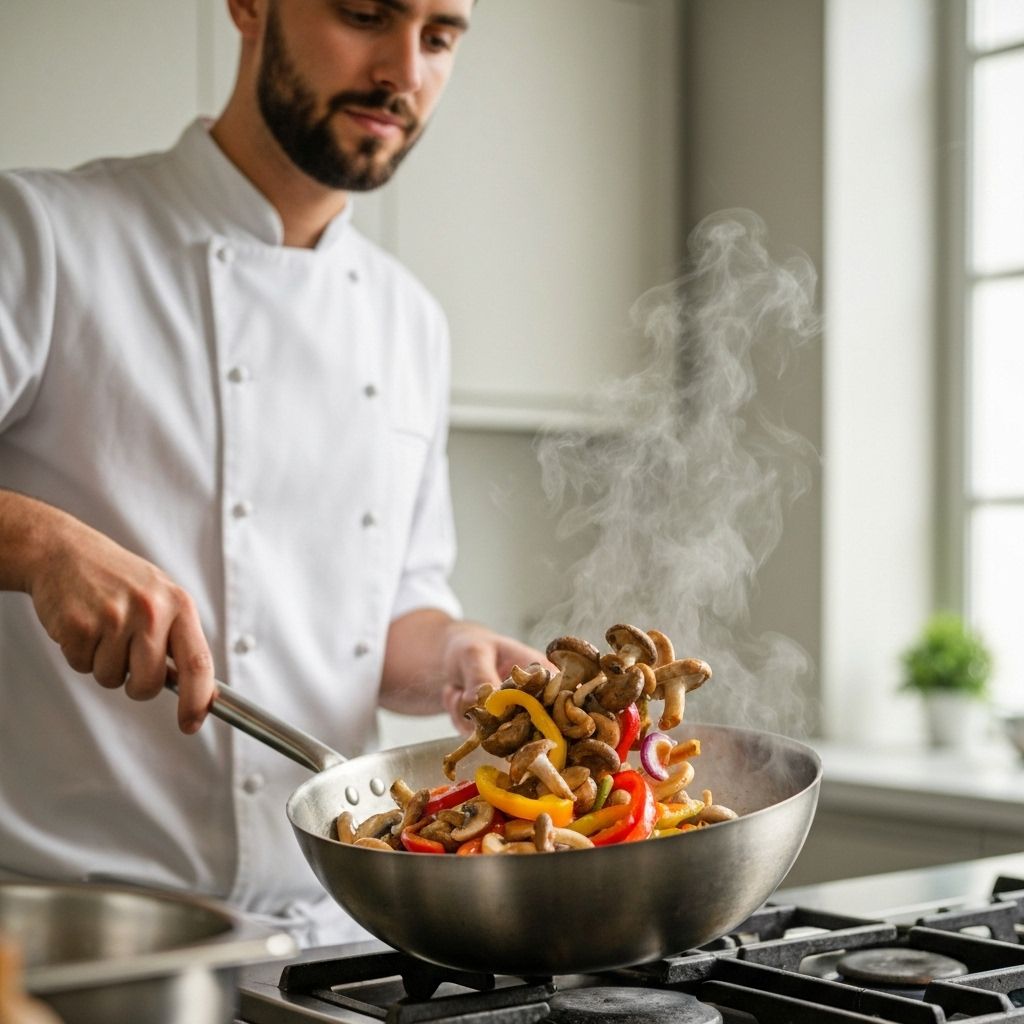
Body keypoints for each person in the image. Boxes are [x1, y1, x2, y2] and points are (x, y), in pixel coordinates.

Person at [0, 0, 547, 945]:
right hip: (78, 937)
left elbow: (385, 619)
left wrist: (454, 649)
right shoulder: (44, 234)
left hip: (337, 933)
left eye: (439, 37)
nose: (404, 73)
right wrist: (41, 543)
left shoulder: (409, 319)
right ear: (250, 7)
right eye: (367, 14)